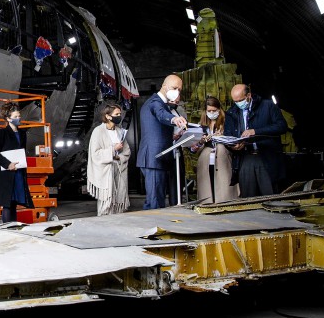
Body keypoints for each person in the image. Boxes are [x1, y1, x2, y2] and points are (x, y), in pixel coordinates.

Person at [224, 84, 288, 197]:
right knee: (248, 196)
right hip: (245, 156)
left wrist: (256, 131)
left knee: (270, 194)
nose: (238, 103)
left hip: (266, 155)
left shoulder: (267, 106)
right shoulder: (232, 112)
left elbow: (282, 126)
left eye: (241, 100)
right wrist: (233, 145)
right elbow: (228, 134)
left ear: (248, 95)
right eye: (235, 101)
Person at [136, 75, 188, 209]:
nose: (177, 92)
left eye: (179, 89)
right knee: (155, 203)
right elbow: (160, 114)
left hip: (159, 159)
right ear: (164, 86)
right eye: (174, 88)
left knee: (156, 200)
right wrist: (173, 119)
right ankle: (154, 227)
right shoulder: (155, 101)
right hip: (153, 159)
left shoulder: (164, 104)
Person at [0, 102, 35, 223]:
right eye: (15, 117)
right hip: (7, 172)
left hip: (18, 171)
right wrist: (8, 164)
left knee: (15, 202)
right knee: (8, 203)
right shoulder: (2, 133)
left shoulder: (22, 133)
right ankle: (7, 228)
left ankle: (14, 227)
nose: (18, 118)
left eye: (19, 116)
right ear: (8, 118)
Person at [189, 96, 238, 203]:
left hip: (222, 159)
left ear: (219, 109)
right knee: (207, 190)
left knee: (224, 190)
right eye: (209, 111)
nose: (212, 113)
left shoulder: (227, 122)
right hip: (206, 161)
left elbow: (235, 141)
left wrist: (222, 136)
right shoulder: (201, 126)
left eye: (214, 111)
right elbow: (192, 150)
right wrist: (201, 141)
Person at [87, 102, 131, 216]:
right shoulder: (98, 131)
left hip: (119, 169)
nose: (119, 116)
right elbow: (95, 154)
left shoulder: (119, 131)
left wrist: (118, 157)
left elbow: (127, 151)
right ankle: (105, 220)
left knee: (119, 200)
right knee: (107, 201)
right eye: (117, 114)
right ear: (107, 116)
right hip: (106, 172)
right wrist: (113, 150)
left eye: (120, 114)